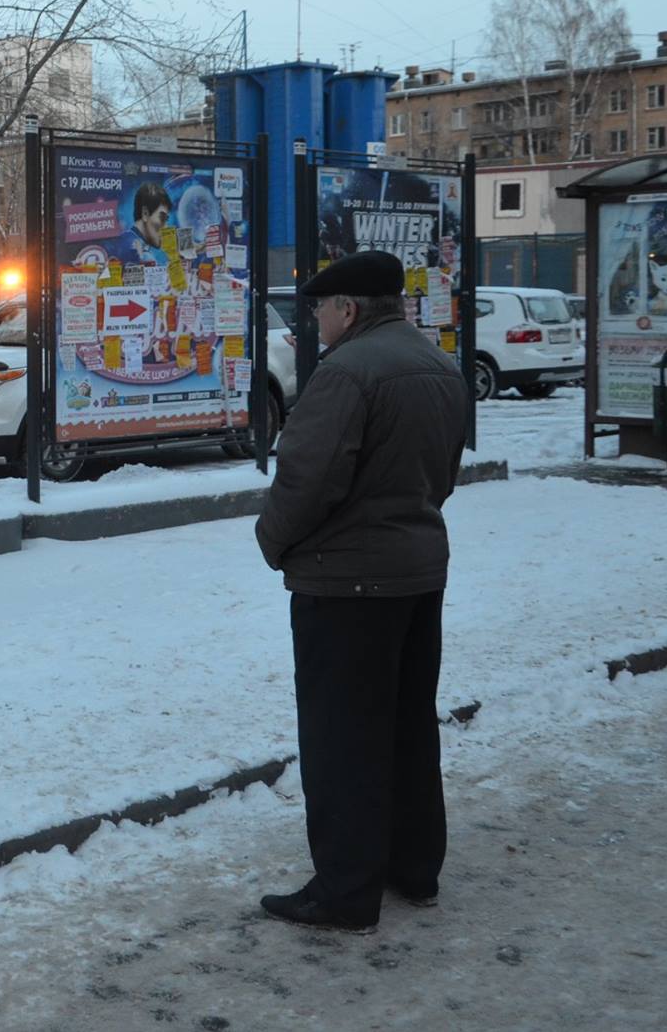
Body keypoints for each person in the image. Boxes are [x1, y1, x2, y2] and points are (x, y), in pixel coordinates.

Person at [252, 249, 468, 934]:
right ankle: (413, 869)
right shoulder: (438, 365)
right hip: (417, 572)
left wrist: (272, 541)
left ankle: (345, 892)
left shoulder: (347, 373)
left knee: (343, 740)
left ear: (348, 309)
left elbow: (306, 481)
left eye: (320, 309)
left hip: (345, 583)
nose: (316, 322)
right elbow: (442, 475)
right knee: (406, 727)